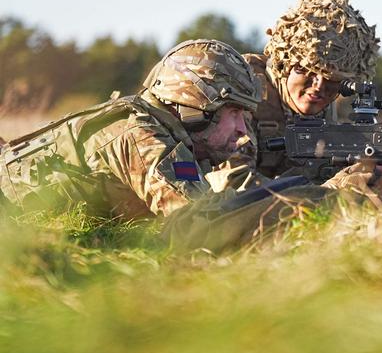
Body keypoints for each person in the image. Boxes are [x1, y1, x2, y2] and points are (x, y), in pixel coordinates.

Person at [0, 39, 262, 219]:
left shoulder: (170, 133)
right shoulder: (140, 135)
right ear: (198, 105)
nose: (243, 130)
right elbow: (199, 220)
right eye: (235, 113)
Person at [243, 0, 380, 177]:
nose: (319, 86)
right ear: (285, 63)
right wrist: (333, 190)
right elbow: (234, 189)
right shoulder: (244, 89)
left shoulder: (323, 107)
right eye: (307, 70)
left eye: (333, 79)